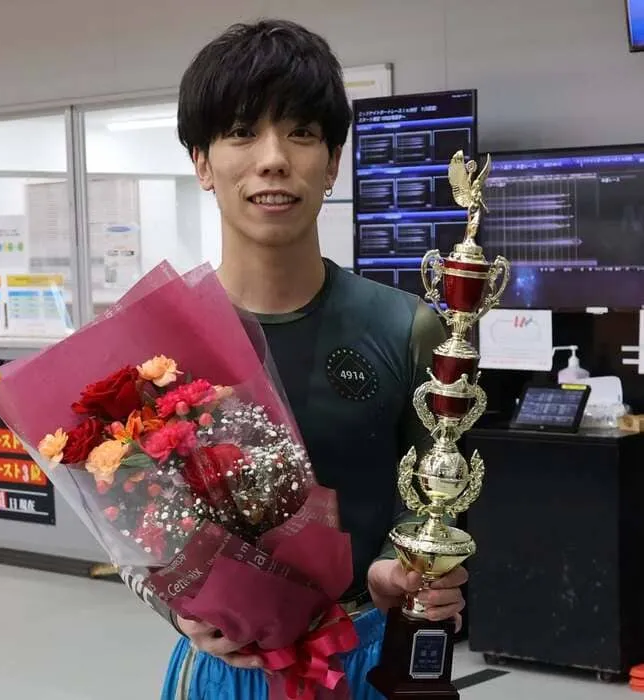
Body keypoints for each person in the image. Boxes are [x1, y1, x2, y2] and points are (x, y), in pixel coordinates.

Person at [122, 18, 468, 700]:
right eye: (242, 132)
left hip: (364, 659)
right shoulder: (155, 348)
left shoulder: (406, 327)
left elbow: (440, 498)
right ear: (201, 162)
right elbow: (133, 526)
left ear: (333, 161)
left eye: (302, 133)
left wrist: (396, 570)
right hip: (224, 671)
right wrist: (178, 607)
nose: (273, 159)